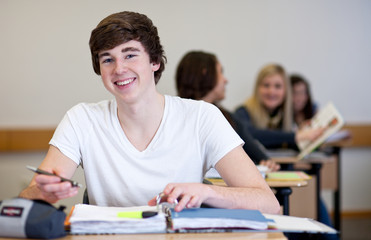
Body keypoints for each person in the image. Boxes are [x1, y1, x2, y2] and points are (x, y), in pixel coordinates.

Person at [19, 11, 280, 214]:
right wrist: (42, 194)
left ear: (155, 62)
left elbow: (269, 203)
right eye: (107, 59)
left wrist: (206, 193)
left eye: (130, 55)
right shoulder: (81, 120)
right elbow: (29, 196)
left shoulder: (202, 117)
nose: (119, 68)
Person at [175, 50, 279, 171]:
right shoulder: (174, 116)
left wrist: (267, 165)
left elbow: (261, 157)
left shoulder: (228, 118)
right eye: (220, 72)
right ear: (205, 73)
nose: (226, 80)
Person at [234, 64, 324, 150]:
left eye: (278, 86)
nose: (271, 91)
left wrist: (307, 134)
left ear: (286, 90)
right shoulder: (242, 112)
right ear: (257, 88)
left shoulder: (285, 115)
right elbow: (249, 135)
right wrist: (296, 136)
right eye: (266, 85)